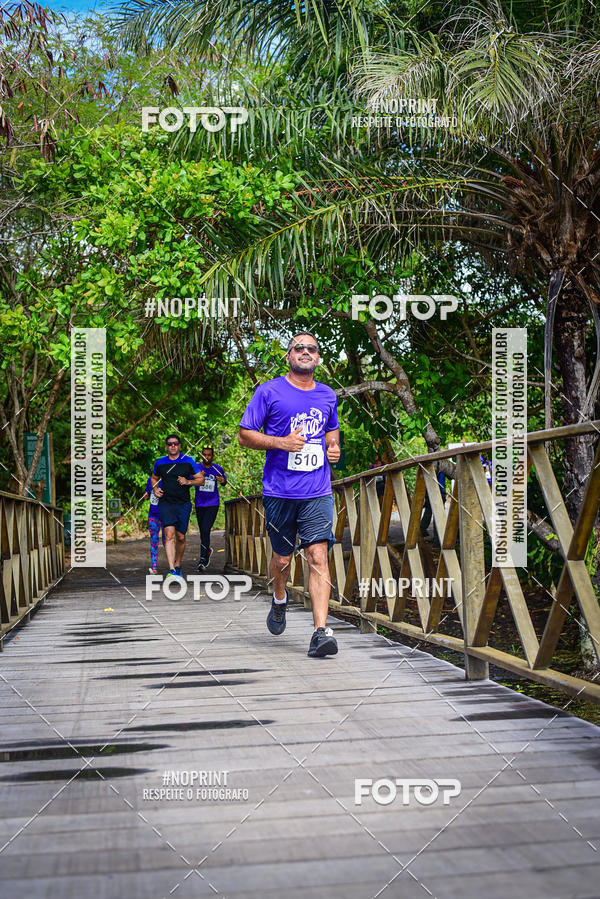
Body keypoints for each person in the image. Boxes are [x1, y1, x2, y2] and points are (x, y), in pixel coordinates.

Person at [238, 331, 341, 657]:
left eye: (312, 348)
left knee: (318, 556)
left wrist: (333, 447)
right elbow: (244, 436)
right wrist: (282, 442)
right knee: (282, 559)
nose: (305, 352)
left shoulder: (327, 395)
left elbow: (331, 432)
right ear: (289, 356)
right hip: (280, 492)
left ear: (318, 358)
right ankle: (279, 599)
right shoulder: (269, 392)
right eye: (299, 348)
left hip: (317, 491)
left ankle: (320, 632)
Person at [150, 435, 205, 580]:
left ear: (179, 446)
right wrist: (155, 489)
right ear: (166, 446)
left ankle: (178, 564)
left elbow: (201, 480)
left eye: (175, 444)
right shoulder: (160, 463)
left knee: (180, 537)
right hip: (166, 503)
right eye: (170, 444)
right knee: (169, 535)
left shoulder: (188, 461)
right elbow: (153, 478)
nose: (172, 446)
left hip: (183, 504)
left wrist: (187, 481)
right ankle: (172, 570)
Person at [195, 445, 227, 570]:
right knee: (202, 531)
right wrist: (198, 477)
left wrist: (221, 480)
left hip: (212, 503)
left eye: (209, 455)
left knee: (205, 529)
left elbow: (224, 482)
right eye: (204, 454)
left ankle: (202, 559)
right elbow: (190, 480)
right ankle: (207, 551)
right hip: (199, 503)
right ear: (201, 455)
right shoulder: (197, 468)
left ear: (212, 456)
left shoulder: (217, 468)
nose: (206, 457)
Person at [143, 476, 164, 574]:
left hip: (166, 516)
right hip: (153, 515)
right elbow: (148, 492)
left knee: (167, 541)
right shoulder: (149, 480)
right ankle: (154, 567)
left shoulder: (168, 481)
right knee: (154, 540)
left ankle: (174, 567)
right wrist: (146, 494)